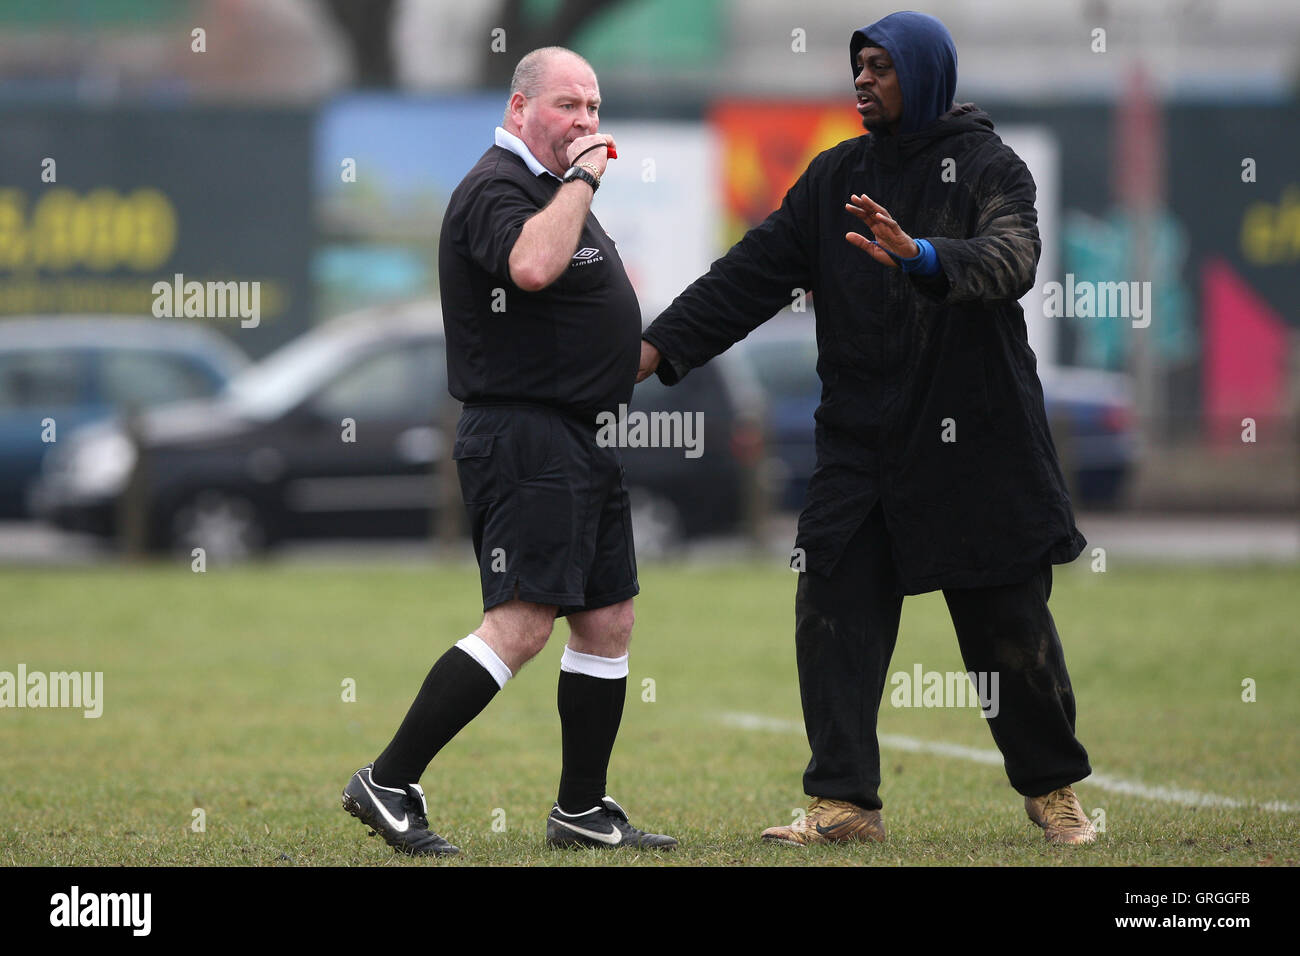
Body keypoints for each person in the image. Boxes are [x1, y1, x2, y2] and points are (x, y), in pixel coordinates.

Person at [637, 11, 1096, 846]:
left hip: (977, 444)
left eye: (880, 67)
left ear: (921, 75)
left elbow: (1012, 260)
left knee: (1009, 633)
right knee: (831, 610)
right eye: (859, 66)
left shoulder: (990, 167)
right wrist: (655, 348)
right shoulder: (834, 176)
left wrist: (922, 255)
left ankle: (1054, 790)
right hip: (863, 446)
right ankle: (845, 802)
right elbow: (750, 276)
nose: (862, 80)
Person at [342, 46, 676, 855]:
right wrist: (585, 181)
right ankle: (388, 780)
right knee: (522, 624)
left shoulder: (548, 187)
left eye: (594, 107)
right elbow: (530, 265)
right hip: (524, 436)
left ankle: (581, 810)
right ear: (520, 107)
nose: (587, 123)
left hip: (580, 435)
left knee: (606, 619)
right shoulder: (496, 185)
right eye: (569, 106)